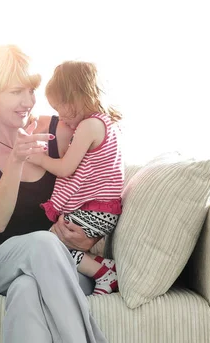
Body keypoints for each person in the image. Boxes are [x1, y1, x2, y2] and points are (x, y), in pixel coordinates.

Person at [0, 45, 107, 342]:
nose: (28, 101)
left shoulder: (59, 129)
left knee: (26, 288)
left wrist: (92, 235)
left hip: (65, 264)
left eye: (31, 90)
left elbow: (99, 180)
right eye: (16, 92)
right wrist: (16, 161)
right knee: (41, 242)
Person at [26, 61, 124, 295]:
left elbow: (65, 169)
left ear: (77, 97)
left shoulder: (89, 126)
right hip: (102, 211)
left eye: (61, 108)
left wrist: (38, 159)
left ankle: (104, 274)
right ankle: (103, 265)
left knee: (50, 245)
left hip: (95, 211)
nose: (60, 117)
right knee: (53, 243)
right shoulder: (103, 123)